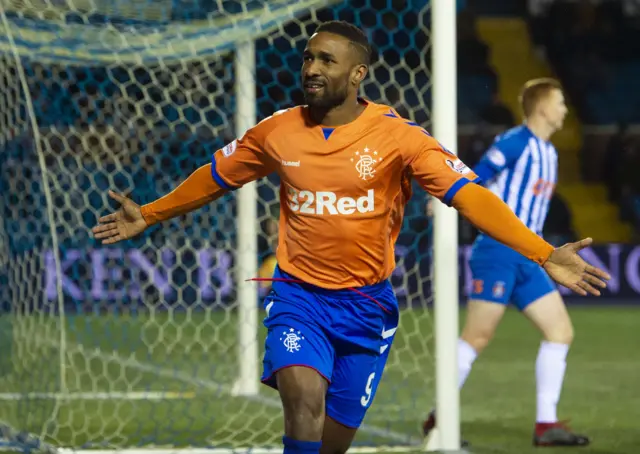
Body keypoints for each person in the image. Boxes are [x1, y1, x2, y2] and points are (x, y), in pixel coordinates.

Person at [92, 24, 609, 454]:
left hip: (367, 307)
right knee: (302, 403)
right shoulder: (278, 131)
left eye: (327, 61)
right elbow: (217, 175)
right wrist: (153, 213)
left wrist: (543, 252)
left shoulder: (400, 137)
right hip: (299, 297)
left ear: (358, 74)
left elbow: (470, 196)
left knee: (332, 440)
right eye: (308, 58)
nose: (311, 69)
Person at [422, 78, 592, 447]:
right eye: (560, 102)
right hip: (498, 251)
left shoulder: (549, 153)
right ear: (543, 107)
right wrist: (443, 197)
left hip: (530, 255)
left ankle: (547, 425)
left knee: (560, 332)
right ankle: (440, 419)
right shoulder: (515, 142)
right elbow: (478, 171)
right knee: (478, 336)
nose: (565, 109)